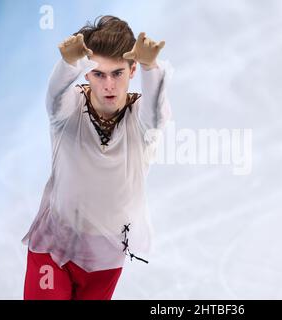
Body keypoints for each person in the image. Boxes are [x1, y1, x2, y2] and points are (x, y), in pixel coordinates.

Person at [21, 15, 172, 300]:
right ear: (87, 74)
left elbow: (156, 114)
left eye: (117, 73)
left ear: (132, 70)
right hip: (54, 248)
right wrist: (67, 65)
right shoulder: (68, 111)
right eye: (99, 74)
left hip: (107, 255)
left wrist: (153, 67)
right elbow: (53, 99)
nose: (109, 85)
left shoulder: (141, 120)